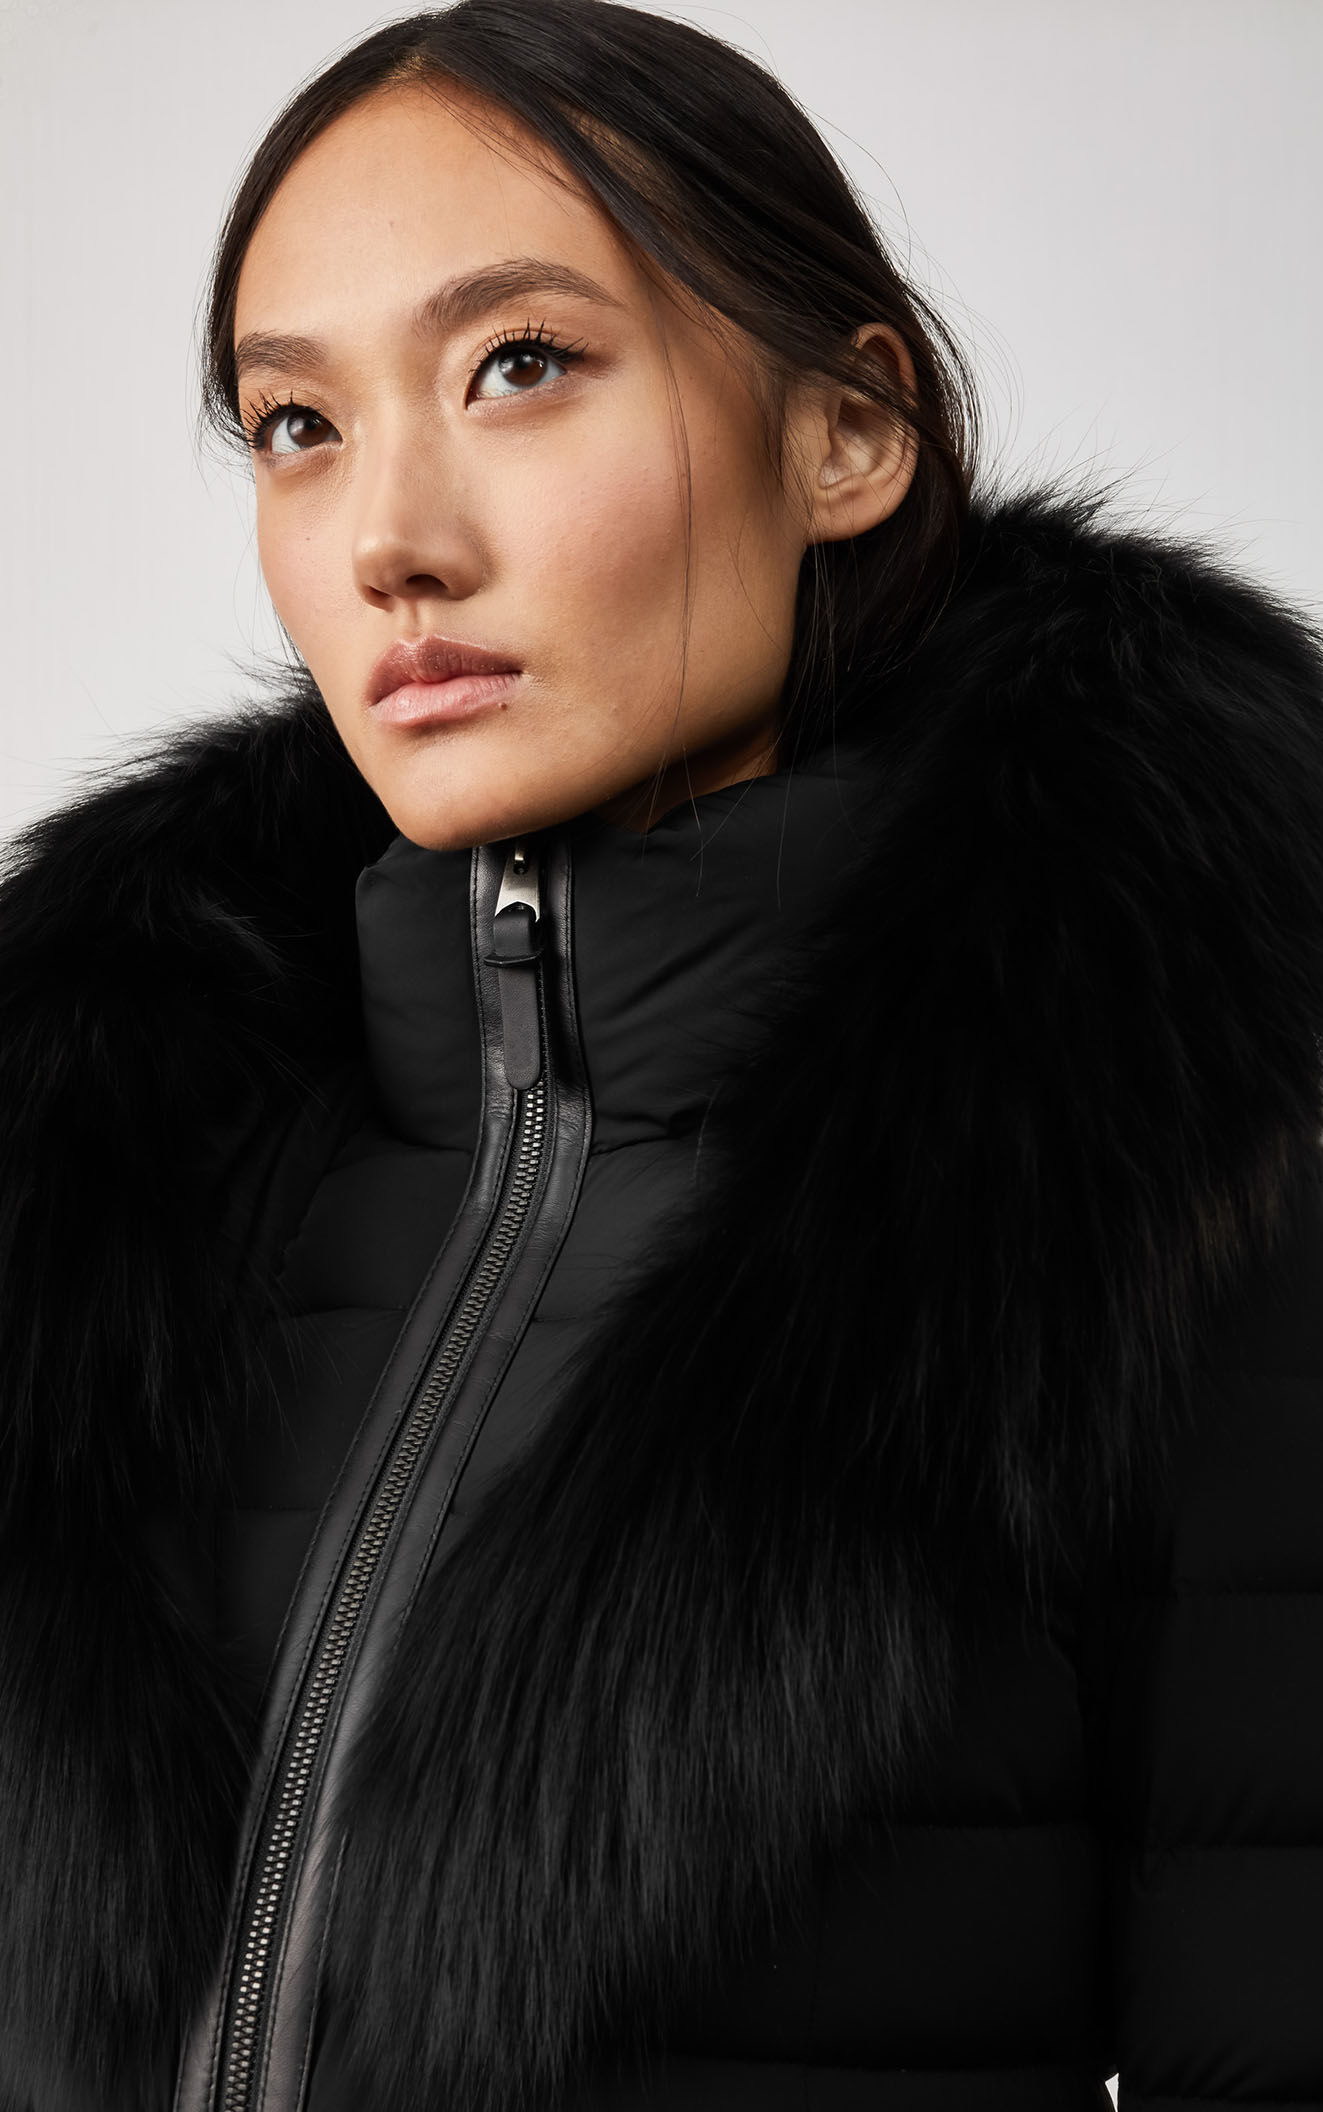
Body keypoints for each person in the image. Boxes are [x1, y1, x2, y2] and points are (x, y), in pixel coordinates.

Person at [2, 2, 1322, 2108]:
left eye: (519, 366)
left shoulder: (1167, 1197)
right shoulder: (88, 1209)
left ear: (844, 435)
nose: (389, 538)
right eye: (296, 422)